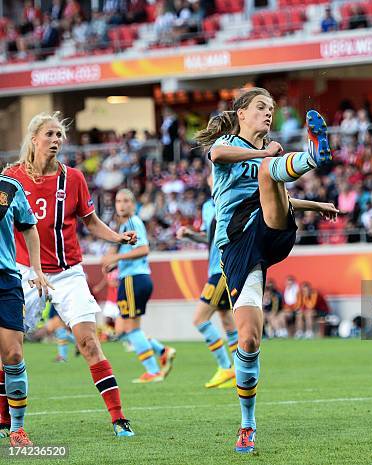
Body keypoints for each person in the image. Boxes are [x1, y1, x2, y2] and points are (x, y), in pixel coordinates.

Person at [196, 87, 338, 453]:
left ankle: (312, 155)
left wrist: (313, 204)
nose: (267, 113)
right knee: (249, 340)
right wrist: (264, 153)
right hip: (239, 244)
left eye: (271, 108)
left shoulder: (266, 155)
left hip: (271, 228)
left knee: (267, 175)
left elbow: (276, 189)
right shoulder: (230, 143)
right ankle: (247, 424)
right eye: (260, 107)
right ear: (241, 113)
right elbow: (217, 152)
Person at [3, 112, 136, 437]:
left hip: (67, 273)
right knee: (9, 350)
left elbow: (90, 221)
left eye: (60, 135)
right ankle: (7, 421)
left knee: (89, 341)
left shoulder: (73, 177)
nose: (56, 140)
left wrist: (116, 237)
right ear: (34, 138)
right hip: (23, 273)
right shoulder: (11, 177)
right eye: (50, 134)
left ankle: (119, 419)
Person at [101, 189, 176, 384]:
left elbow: (143, 249)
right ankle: (162, 351)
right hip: (134, 277)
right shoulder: (125, 226)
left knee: (131, 329)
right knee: (125, 329)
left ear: (133, 204)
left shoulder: (133, 222)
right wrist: (115, 262)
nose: (122, 204)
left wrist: (116, 257)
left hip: (133, 278)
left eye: (126, 200)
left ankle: (153, 370)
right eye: (118, 201)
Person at [0, 172, 50, 446]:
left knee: (14, 353)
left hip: (6, 280)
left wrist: (37, 270)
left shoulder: (10, 187)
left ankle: (17, 429)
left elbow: (29, 226)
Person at [176, 178, 238, 389]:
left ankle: (226, 367)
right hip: (214, 268)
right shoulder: (208, 206)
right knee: (227, 320)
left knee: (200, 319)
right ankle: (241, 372)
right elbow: (210, 238)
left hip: (222, 270)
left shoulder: (231, 200)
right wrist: (191, 235)